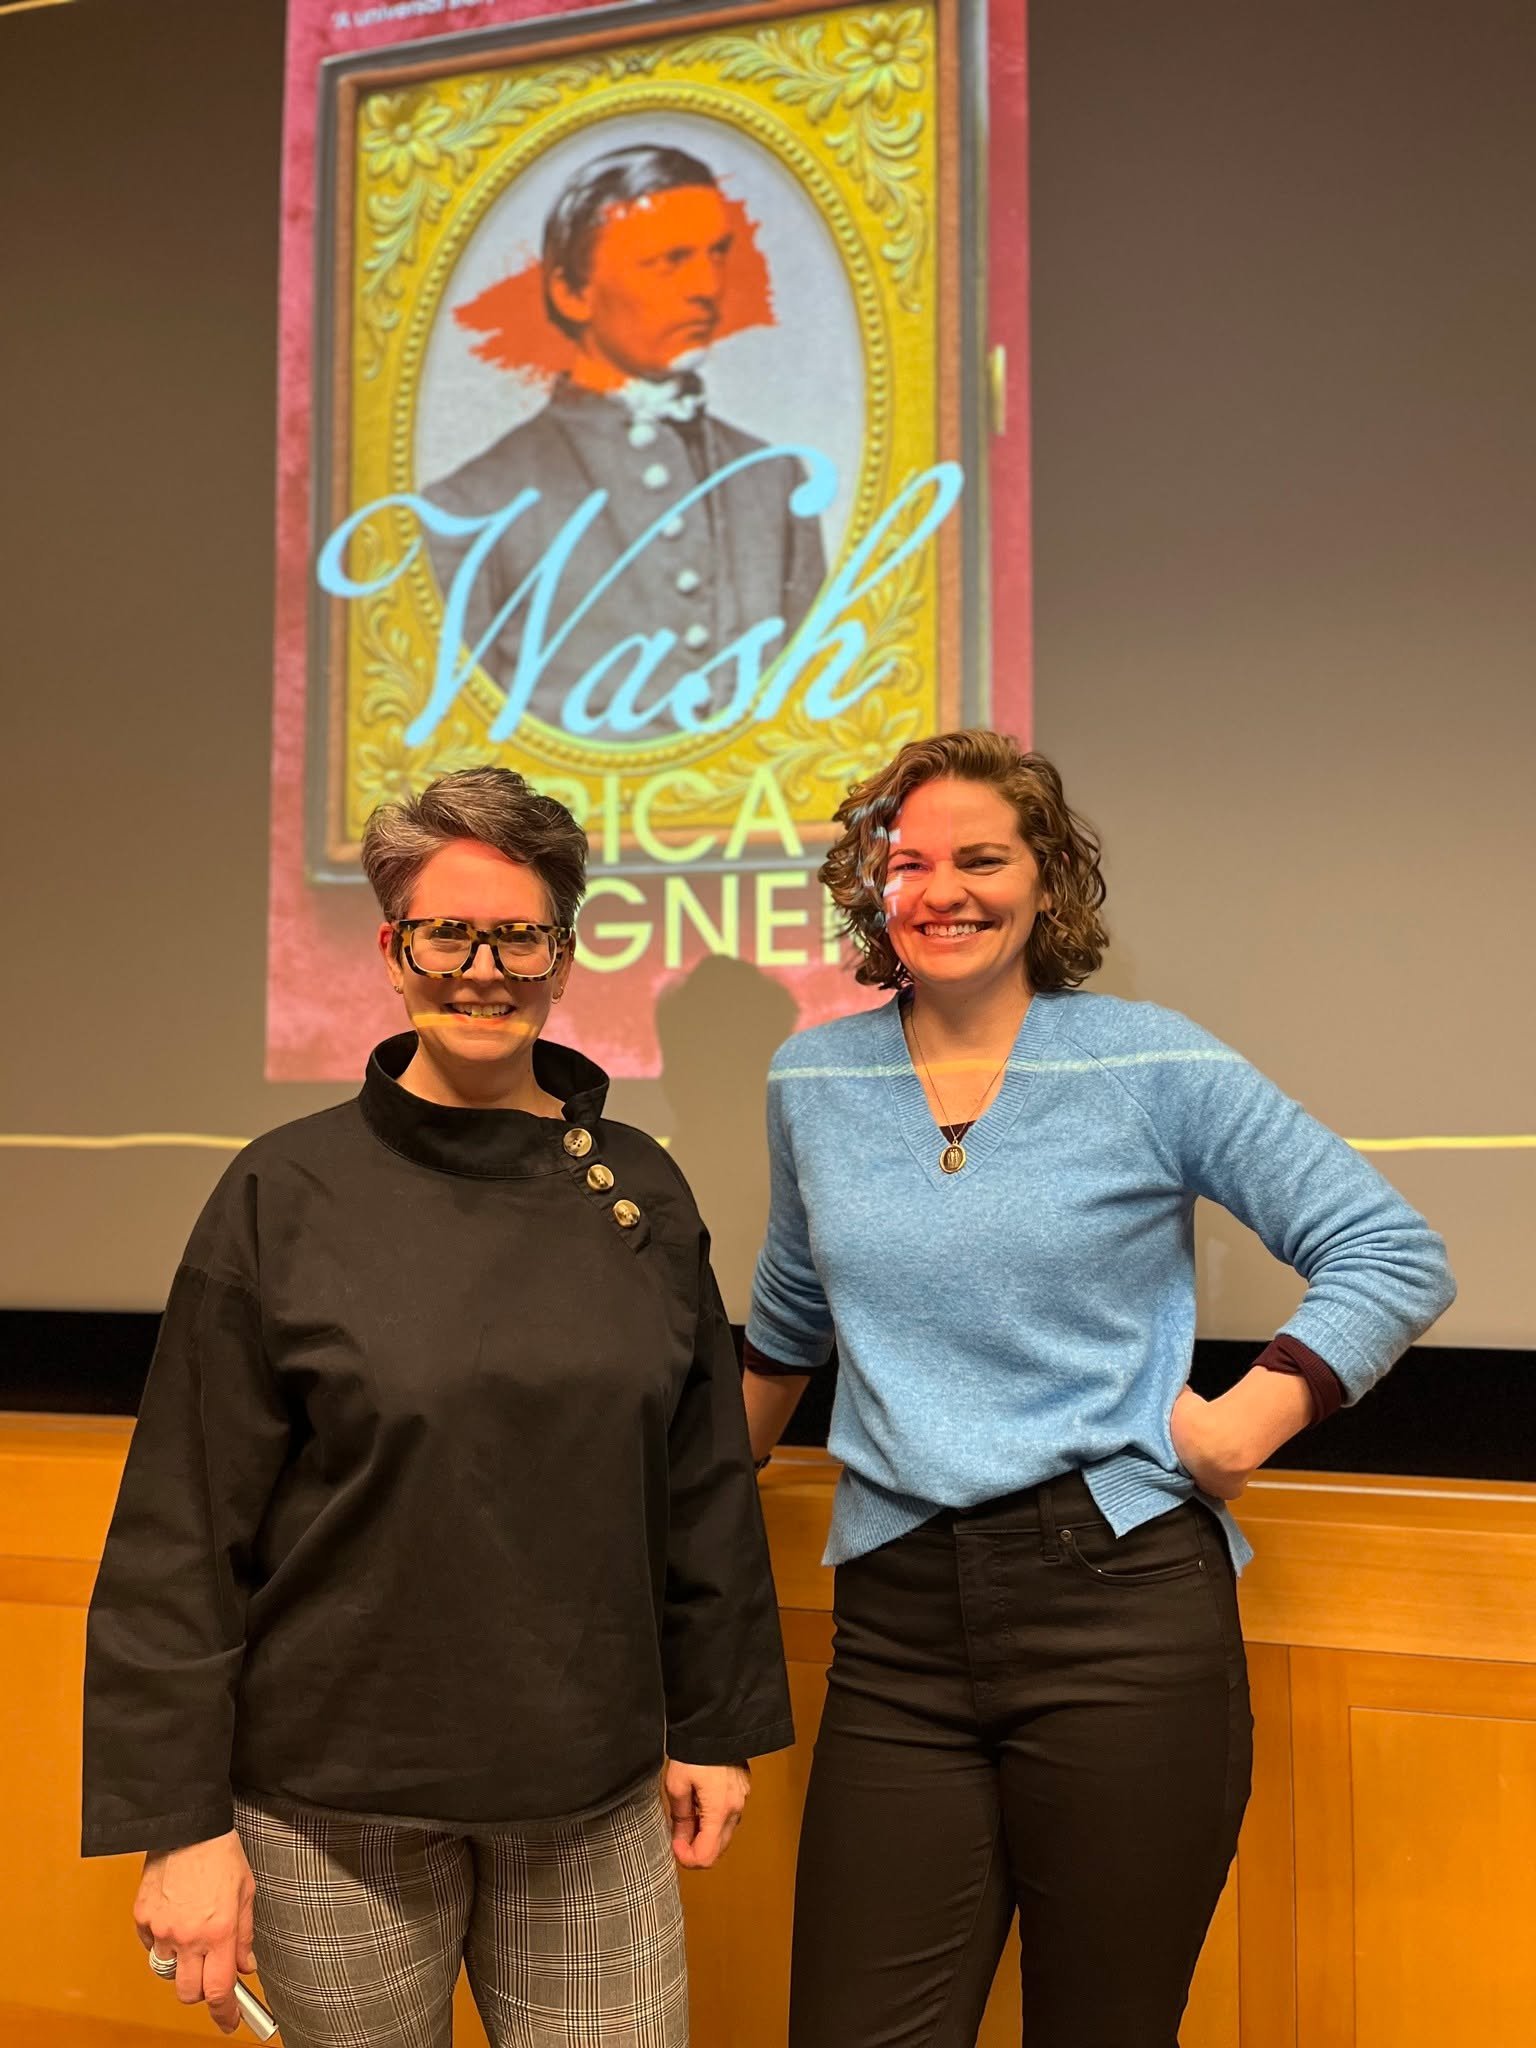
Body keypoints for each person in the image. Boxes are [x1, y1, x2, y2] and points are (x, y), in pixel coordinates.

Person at [740, 729, 1456, 2048]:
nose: (942, 888)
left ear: (1048, 883)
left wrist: (1258, 1410)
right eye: (906, 862)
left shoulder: (1148, 1060)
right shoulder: (812, 1079)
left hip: (1121, 1609)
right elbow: (789, 1321)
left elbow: (1391, 1249)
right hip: (896, 1624)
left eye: (981, 858)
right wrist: (683, 1521)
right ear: (869, 890)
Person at [82, 765, 793, 2046]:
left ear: (565, 954)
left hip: (594, 1791)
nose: (485, 966)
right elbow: (179, 1530)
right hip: (329, 1807)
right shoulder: (280, 1191)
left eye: (521, 932)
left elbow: (698, 1482)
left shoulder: (641, 1190)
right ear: (393, 949)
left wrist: (716, 1722)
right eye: (447, 932)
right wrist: (179, 1823)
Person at [424, 143, 827, 735]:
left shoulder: (774, 478)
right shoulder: (470, 505)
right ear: (571, 292)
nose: (706, 286)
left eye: (716, 254)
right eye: (669, 260)